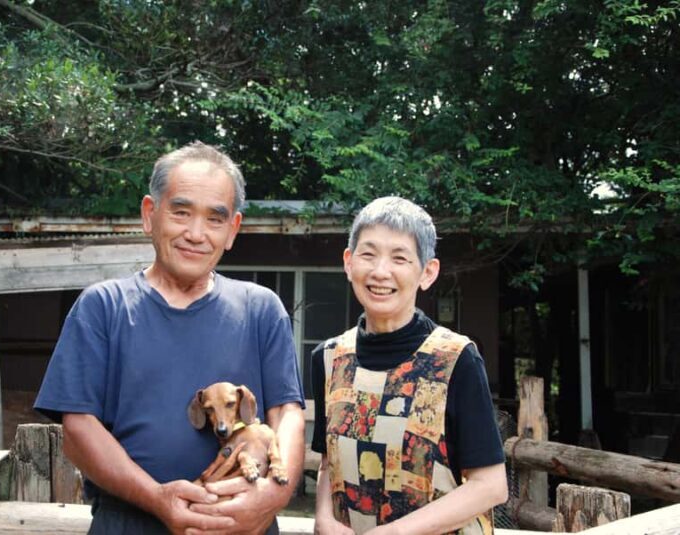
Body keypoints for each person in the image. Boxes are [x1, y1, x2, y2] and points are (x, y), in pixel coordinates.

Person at [34, 141, 306, 534]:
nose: (196, 234)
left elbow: (288, 414)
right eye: (181, 212)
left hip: (242, 524)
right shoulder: (103, 307)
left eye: (215, 219)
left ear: (232, 230)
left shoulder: (260, 309)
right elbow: (78, 430)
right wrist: (156, 498)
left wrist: (273, 496)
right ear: (150, 214)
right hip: (129, 523)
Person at [311, 197, 507, 534]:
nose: (380, 271)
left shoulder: (455, 360)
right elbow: (330, 463)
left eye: (399, 258)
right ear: (349, 262)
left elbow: (490, 486)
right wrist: (323, 517)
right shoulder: (329, 359)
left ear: (427, 272)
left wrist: (397, 532)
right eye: (368, 254)